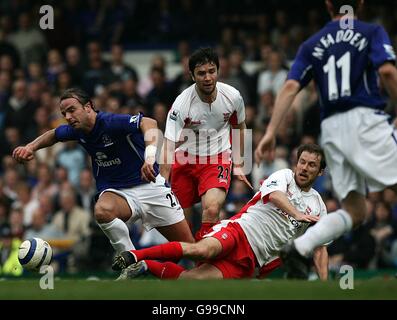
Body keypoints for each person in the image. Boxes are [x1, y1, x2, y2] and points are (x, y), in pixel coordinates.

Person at [255, 0, 397, 277]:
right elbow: (388, 71)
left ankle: (301, 247)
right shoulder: (371, 31)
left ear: (328, 4)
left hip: (330, 129)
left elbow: (291, 85)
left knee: (356, 210)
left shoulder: (312, 44)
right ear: (362, 3)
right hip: (365, 119)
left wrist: (271, 131)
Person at [12, 88, 194, 277]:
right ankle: (132, 263)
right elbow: (54, 134)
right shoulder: (77, 130)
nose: (67, 116)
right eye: (64, 113)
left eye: (72, 110)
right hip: (118, 192)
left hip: (150, 186)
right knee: (102, 210)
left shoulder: (110, 122)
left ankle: (181, 272)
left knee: (190, 248)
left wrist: (149, 159)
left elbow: (150, 123)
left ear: (88, 107)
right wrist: (30, 147)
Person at [112, 144, 328, 280]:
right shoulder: (285, 176)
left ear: (320, 172)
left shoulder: (319, 207)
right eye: (302, 162)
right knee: (202, 251)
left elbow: (320, 247)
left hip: (253, 260)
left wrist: (324, 285)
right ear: (296, 163)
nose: (304, 168)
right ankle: (134, 255)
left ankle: (145, 265)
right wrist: (298, 215)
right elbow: (274, 196)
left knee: (190, 281)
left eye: (311, 165)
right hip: (240, 232)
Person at [159, 47, 252, 242]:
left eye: (212, 71)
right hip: (184, 160)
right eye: (201, 73)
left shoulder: (233, 97)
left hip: (217, 158)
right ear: (192, 76)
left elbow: (240, 127)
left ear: (218, 71)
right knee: (181, 225)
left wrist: (240, 163)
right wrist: (161, 185)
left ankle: (206, 266)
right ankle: (192, 266)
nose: (208, 77)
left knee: (211, 209)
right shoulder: (181, 104)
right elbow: (168, 146)